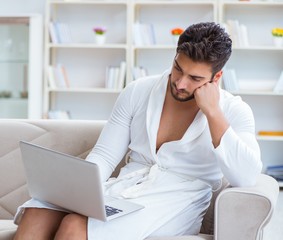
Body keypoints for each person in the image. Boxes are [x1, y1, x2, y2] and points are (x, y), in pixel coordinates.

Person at [13, 22, 262, 240]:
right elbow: (105, 155)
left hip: (176, 202)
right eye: (178, 68)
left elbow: (247, 177)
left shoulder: (233, 110)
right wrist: (81, 194)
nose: (180, 83)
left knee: (75, 225)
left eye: (195, 79)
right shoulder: (138, 90)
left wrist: (213, 113)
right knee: (37, 212)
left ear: (216, 77)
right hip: (123, 190)